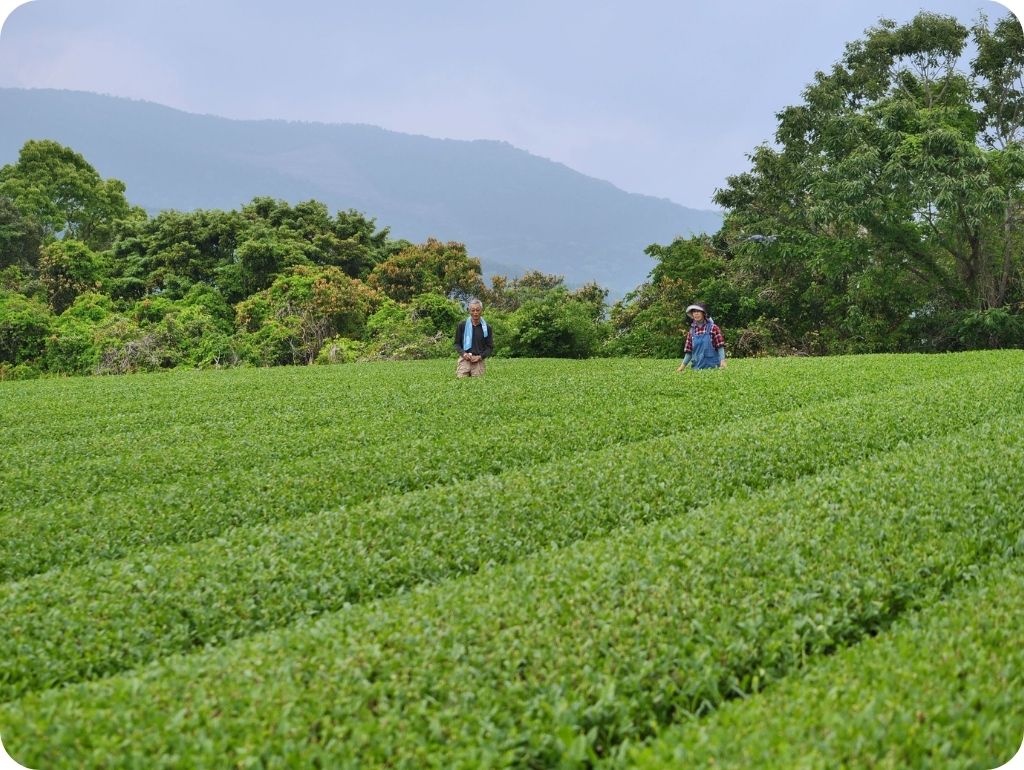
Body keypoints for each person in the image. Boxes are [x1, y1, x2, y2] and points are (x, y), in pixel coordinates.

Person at [677, 302, 727, 371]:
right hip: (697, 368)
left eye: (698, 311)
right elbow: (689, 352)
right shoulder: (691, 331)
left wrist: (723, 361)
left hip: (714, 367)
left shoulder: (713, 328)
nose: (696, 314)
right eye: (694, 312)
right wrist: (682, 367)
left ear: (704, 313)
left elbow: (720, 346)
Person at [454, 299, 493, 377]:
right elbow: (457, 344)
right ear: (469, 311)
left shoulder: (487, 328)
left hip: (478, 361)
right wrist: (464, 354)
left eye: (477, 310)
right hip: (464, 360)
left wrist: (479, 357)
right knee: (461, 384)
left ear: (481, 311)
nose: (475, 313)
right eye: (473, 310)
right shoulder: (462, 325)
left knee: (478, 386)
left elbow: (489, 347)